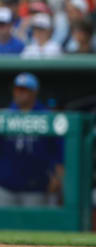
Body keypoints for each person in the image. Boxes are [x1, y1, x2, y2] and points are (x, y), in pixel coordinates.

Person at [0, 73, 63, 206]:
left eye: (24, 90)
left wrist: (58, 178)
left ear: (34, 92)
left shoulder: (47, 117)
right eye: (17, 89)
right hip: (5, 185)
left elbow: (59, 152)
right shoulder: (5, 115)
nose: (19, 93)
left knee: (35, 225)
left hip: (36, 186)